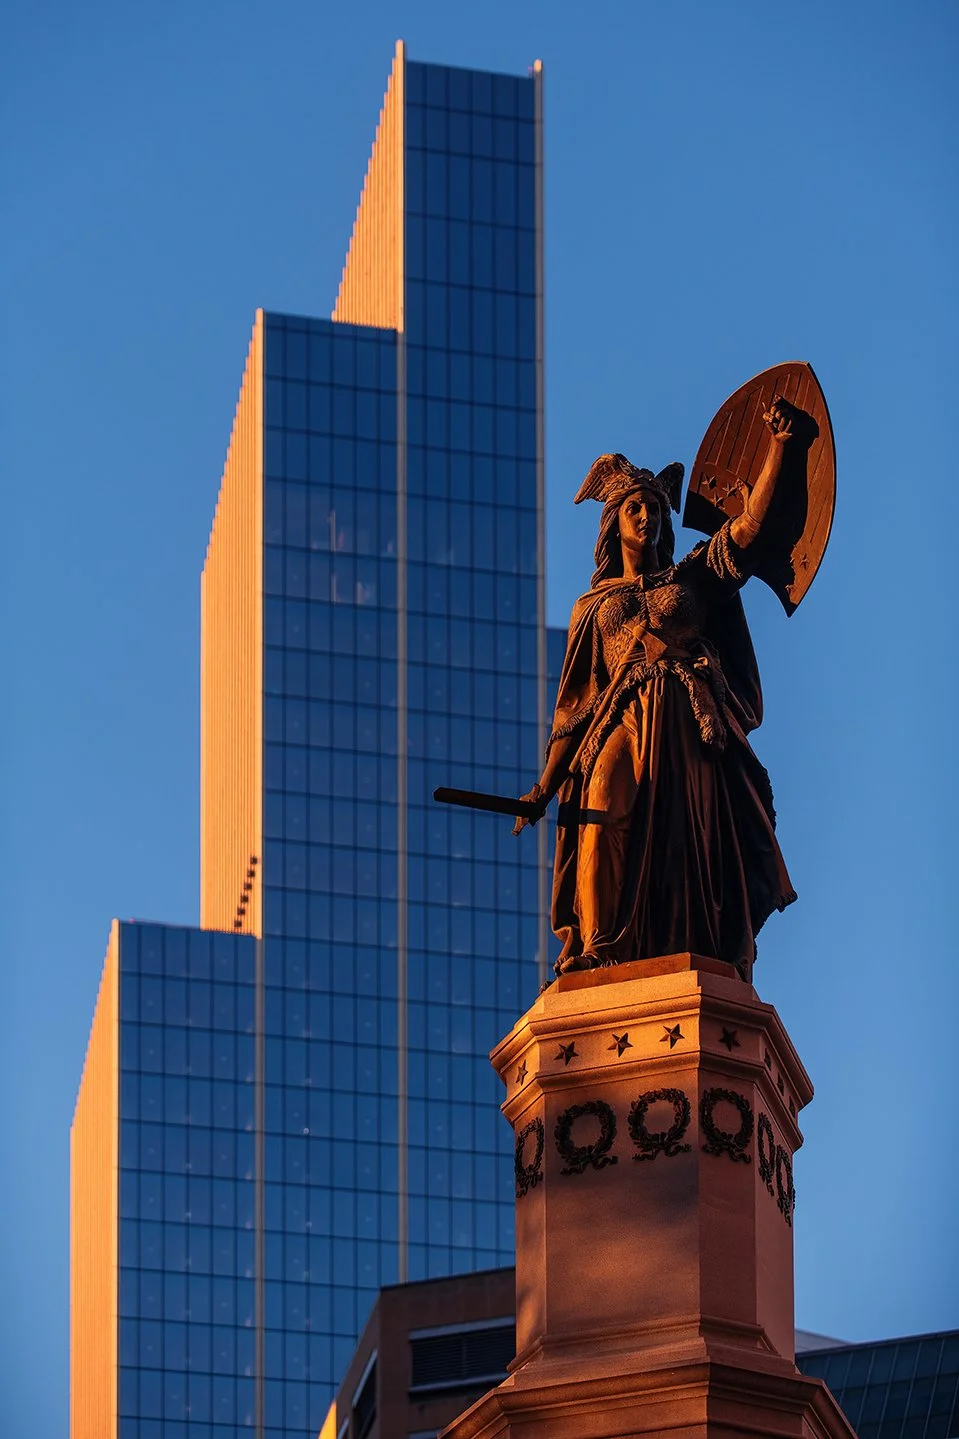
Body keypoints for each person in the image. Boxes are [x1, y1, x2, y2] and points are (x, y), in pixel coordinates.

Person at [515, 399, 806, 980]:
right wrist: (543, 788)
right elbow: (573, 711)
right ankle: (599, 945)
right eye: (634, 507)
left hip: (688, 728)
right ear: (614, 522)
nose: (647, 515)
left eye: (653, 507)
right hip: (619, 721)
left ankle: (693, 945)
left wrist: (781, 447)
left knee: (690, 849)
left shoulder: (693, 577)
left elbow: (748, 532)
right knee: (601, 801)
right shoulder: (592, 608)